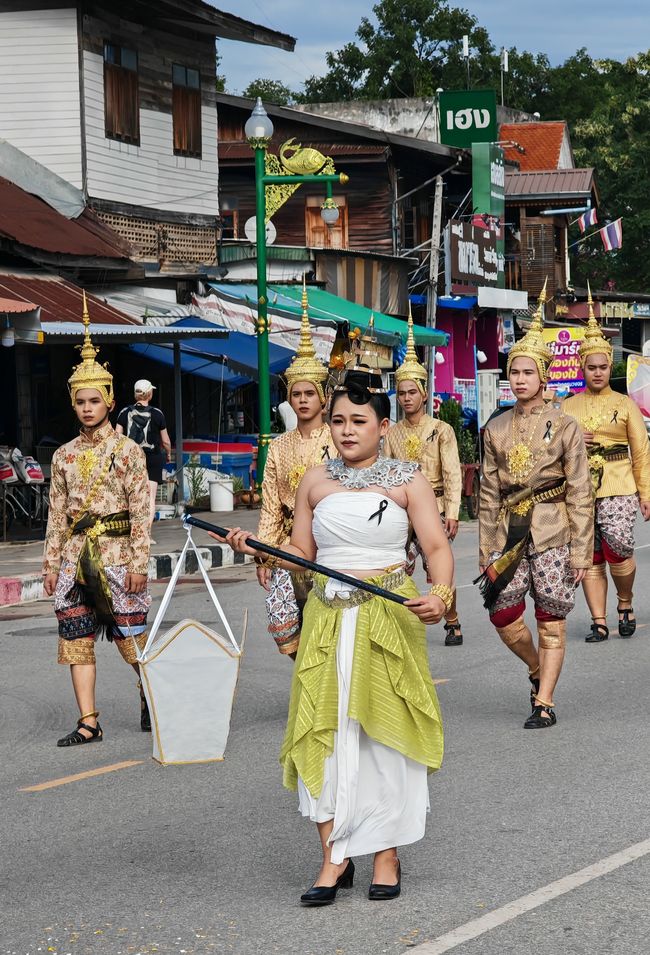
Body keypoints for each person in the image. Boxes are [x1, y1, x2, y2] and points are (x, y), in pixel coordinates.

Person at [215, 362, 452, 905]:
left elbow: (436, 550)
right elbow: (302, 556)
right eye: (339, 420)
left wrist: (440, 595)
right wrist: (258, 548)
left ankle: (386, 854)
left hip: (387, 620)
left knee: (381, 738)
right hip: (326, 618)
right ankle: (333, 856)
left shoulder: (407, 480)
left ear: (382, 426)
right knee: (325, 735)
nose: (346, 430)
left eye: (359, 421)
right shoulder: (314, 481)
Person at [477, 281, 593, 729]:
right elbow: (487, 493)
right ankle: (534, 668)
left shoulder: (564, 426)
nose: (519, 379)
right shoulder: (495, 428)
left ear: (544, 377)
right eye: (514, 372)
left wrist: (582, 551)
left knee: (551, 615)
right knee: (502, 613)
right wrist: (487, 547)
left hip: (552, 529)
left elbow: (580, 490)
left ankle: (544, 701)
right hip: (509, 531)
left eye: (528, 373)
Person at [42, 295, 152, 746]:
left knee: (130, 638)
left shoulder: (126, 451)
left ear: (109, 399)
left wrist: (140, 562)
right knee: (76, 638)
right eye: (80, 401)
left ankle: (153, 692)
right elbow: (56, 511)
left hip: (117, 555)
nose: (87, 408)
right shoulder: (63, 455)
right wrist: (50, 564)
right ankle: (89, 721)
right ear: (73, 403)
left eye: (95, 400)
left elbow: (142, 509)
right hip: (72, 559)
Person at [563, 286, 650, 642]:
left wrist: (645, 492)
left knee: (619, 550)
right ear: (582, 367)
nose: (597, 372)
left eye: (603, 367)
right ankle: (598, 620)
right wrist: (570, 440)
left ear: (609, 367)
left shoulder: (625, 403)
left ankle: (625, 601)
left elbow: (641, 451)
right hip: (581, 489)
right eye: (591, 367)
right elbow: (552, 451)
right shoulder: (566, 407)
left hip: (619, 484)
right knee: (592, 555)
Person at [256, 283, 336, 657]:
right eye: (296, 394)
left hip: (332, 544)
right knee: (286, 630)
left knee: (331, 628)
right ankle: (312, 683)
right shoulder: (279, 446)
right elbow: (271, 505)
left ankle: (324, 695)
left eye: (309, 394)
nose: (303, 400)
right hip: (289, 547)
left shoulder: (339, 440)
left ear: (323, 397)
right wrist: (264, 555)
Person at [384, 310, 464, 645]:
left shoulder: (441, 430)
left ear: (424, 393)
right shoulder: (391, 433)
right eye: (401, 393)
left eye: (412, 392)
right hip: (401, 508)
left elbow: (453, 472)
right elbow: (386, 474)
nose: (406, 398)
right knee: (392, 566)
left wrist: (454, 512)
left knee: (437, 567)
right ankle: (395, 619)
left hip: (436, 503)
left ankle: (452, 618)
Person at [115, 379, 171, 533]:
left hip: (131, 458)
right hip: (153, 458)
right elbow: (165, 441)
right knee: (150, 497)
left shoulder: (124, 412)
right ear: (150, 394)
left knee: (129, 495)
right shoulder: (157, 414)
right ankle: (146, 535)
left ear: (135, 394)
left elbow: (116, 438)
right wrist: (168, 454)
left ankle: (129, 533)